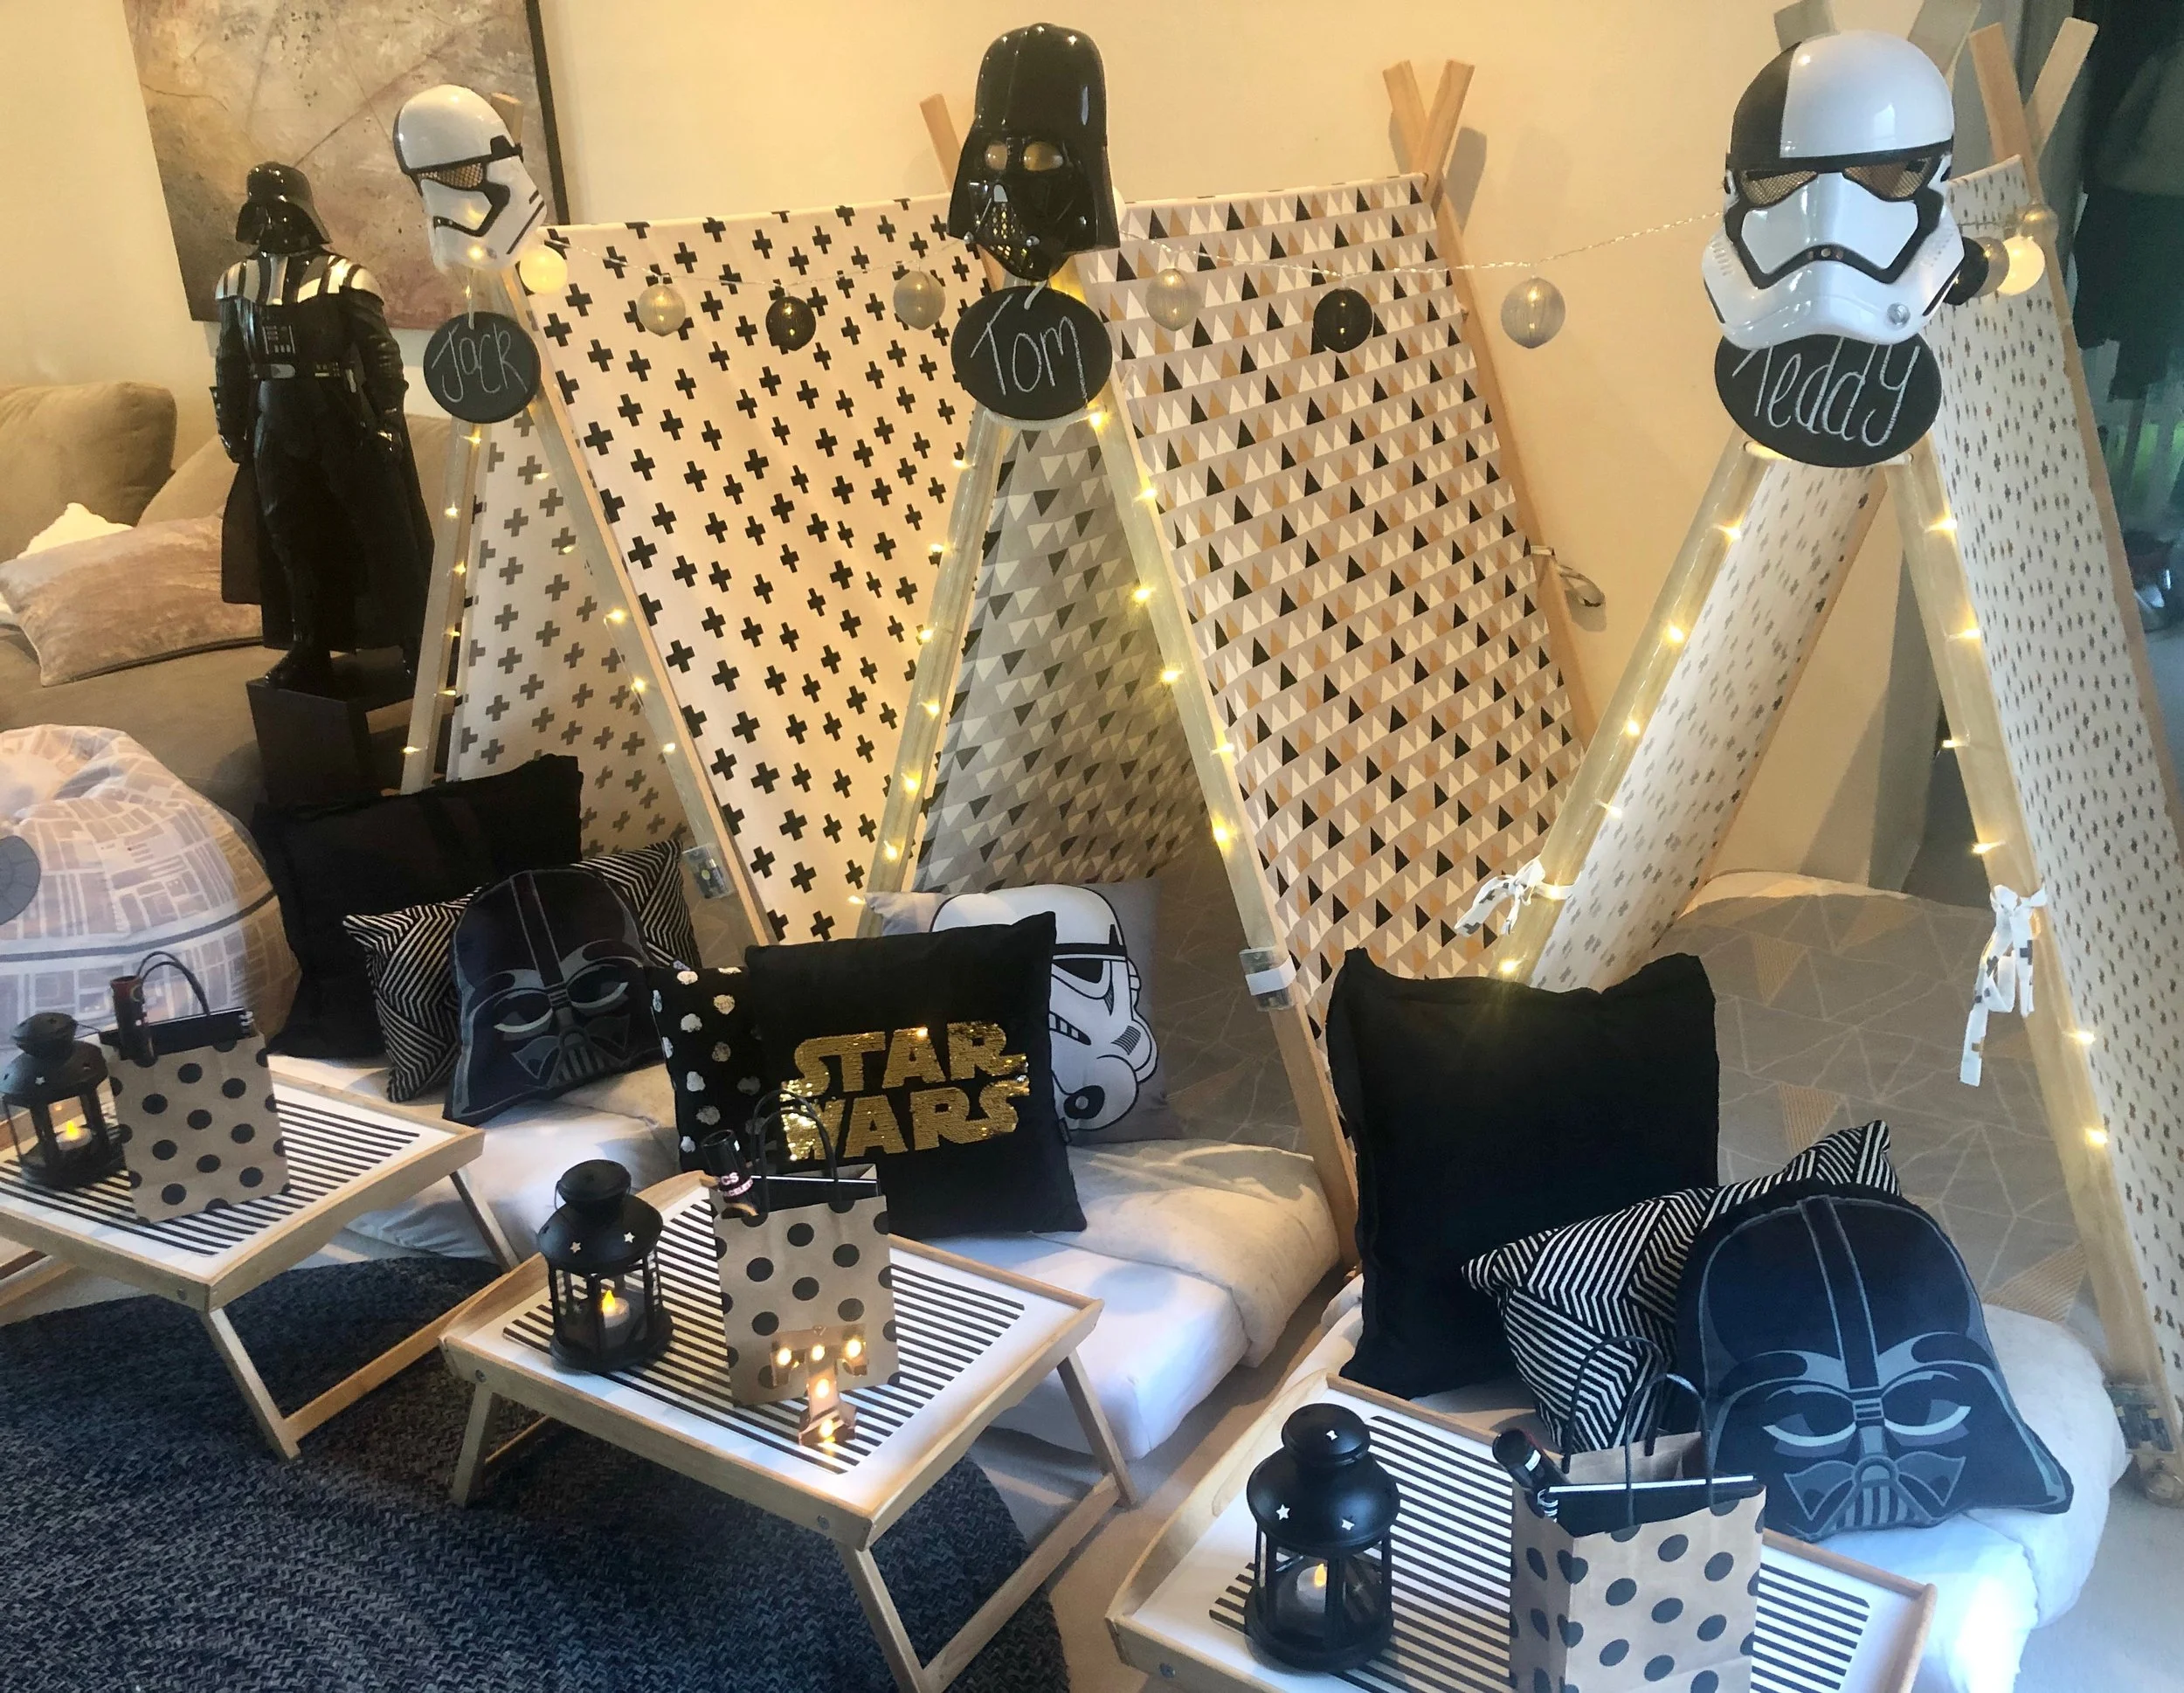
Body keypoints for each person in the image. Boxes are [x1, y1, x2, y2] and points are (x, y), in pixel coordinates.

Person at [215, 162, 432, 692]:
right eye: (261, 213)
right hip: (272, 416)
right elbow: (232, 361)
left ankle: (414, 642)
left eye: (279, 212)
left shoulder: (344, 277)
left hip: (338, 412)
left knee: (379, 530)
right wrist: (232, 425)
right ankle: (309, 644)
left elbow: (381, 358)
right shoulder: (238, 282)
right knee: (290, 537)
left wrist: (387, 420)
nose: (271, 225)